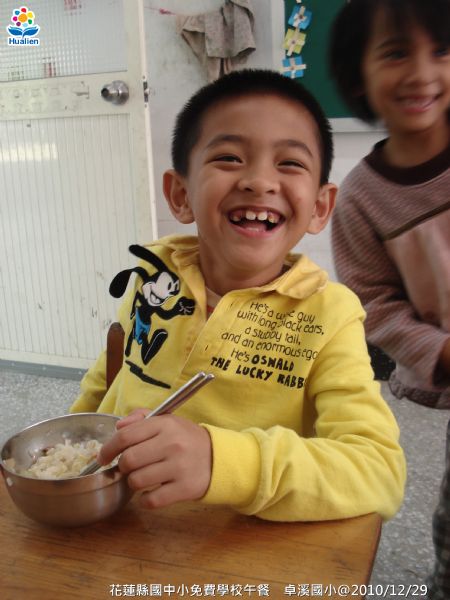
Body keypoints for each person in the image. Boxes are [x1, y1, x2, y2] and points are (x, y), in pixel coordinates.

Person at [70, 69, 405, 523]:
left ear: (319, 207)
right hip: (119, 520)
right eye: (229, 157)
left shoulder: (330, 315)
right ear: (181, 194)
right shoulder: (154, 274)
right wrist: (70, 442)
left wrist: (222, 462)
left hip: (237, 540)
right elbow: (112, 376)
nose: (259, 181)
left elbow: (378, 472)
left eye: (290, 163)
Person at [328, 0, 450, 596]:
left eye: (441, 51)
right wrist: (439, 352)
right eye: (396, 53)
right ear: (359, 75)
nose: (422, 73)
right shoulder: (361, 198)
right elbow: (372, 303)